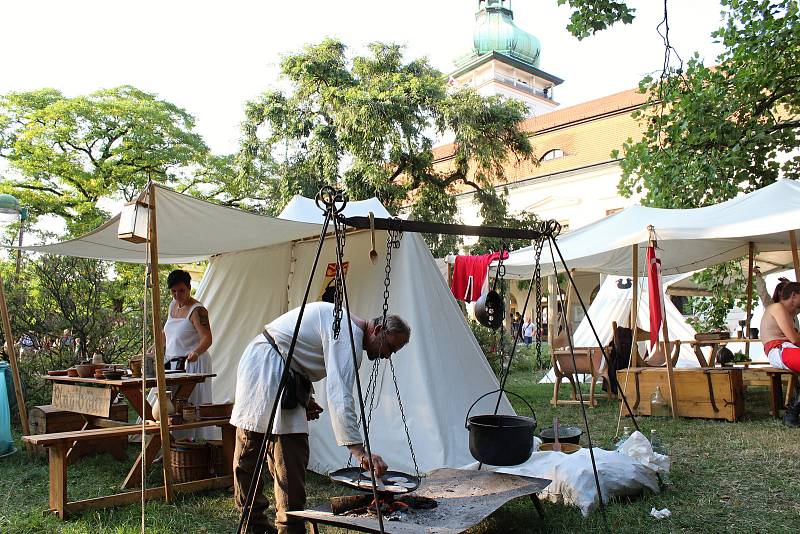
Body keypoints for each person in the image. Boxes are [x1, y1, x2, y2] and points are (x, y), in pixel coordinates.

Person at [230, 301, 411, 534]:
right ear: (377, 331)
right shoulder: (349, 335)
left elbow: (302, 353)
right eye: (390, 348)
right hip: (264, 366)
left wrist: (305, 398)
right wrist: (358, 450)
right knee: (250, 452)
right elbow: (339, 394)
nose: (387, 356)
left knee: (289, 459)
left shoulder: (345, 326)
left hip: (283, 372)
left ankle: (289, 527)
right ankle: (255, 526)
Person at [163, 269, 213, 439]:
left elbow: (207, 338)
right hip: (172, 363)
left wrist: (196, 352)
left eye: (181, 290)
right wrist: (156, 346)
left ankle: (188, 441)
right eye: (174, 291)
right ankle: (171, 442)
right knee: (170, 403)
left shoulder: (198, 310)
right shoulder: (172, 306)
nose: (177, 295)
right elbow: (168, 332)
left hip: (192, 362)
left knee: (188, 405)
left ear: (189, 287)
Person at [760, 277, 800, 427]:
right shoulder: (777, 307)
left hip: (786, 349)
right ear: (794, 295)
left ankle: (792, 415)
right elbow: (795, 339)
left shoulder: (787, 313)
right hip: (779, 350)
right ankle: (791, 414)